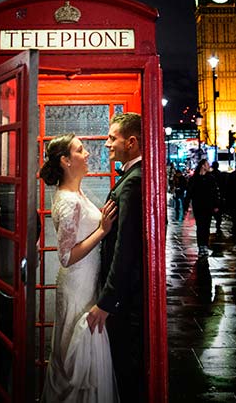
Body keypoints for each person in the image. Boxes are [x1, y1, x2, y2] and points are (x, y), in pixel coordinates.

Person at [39, 134, 119, 403]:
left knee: (78, 353)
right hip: (76, 285)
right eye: (80, 150)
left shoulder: (76, 192)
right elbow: (65, 256)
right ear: (65, 160)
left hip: (86, 281)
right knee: (73, 357)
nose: (87, 154)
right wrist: (103, 231)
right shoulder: (69, 201)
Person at [87, 112, 145, 402]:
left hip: (124, 300)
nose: (107, 143)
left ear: (131, 142)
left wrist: (107, 301)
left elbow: (126, 248)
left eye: (112, 138)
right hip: (125, 295)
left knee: (126, 371)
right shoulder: (132, 177)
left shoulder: (134, 183)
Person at [186, 158, 219, 256]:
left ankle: (205, 245)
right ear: (203, 166)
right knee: (200, 226)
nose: (209, 166)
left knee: (206, 226)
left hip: (208, 206)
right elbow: (189, 192)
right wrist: (186, 204)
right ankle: (201, 246)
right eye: (207, 164)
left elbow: (215, 193)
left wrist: (216, 205)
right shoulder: (194, 179)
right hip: (198, 206)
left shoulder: (211, 178)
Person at [211, 161, 228, 234]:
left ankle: (217, 226)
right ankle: (218, 226)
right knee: (219, 214)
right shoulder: (220, 175)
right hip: (218, 196)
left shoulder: (211, 175)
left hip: (213, 196)